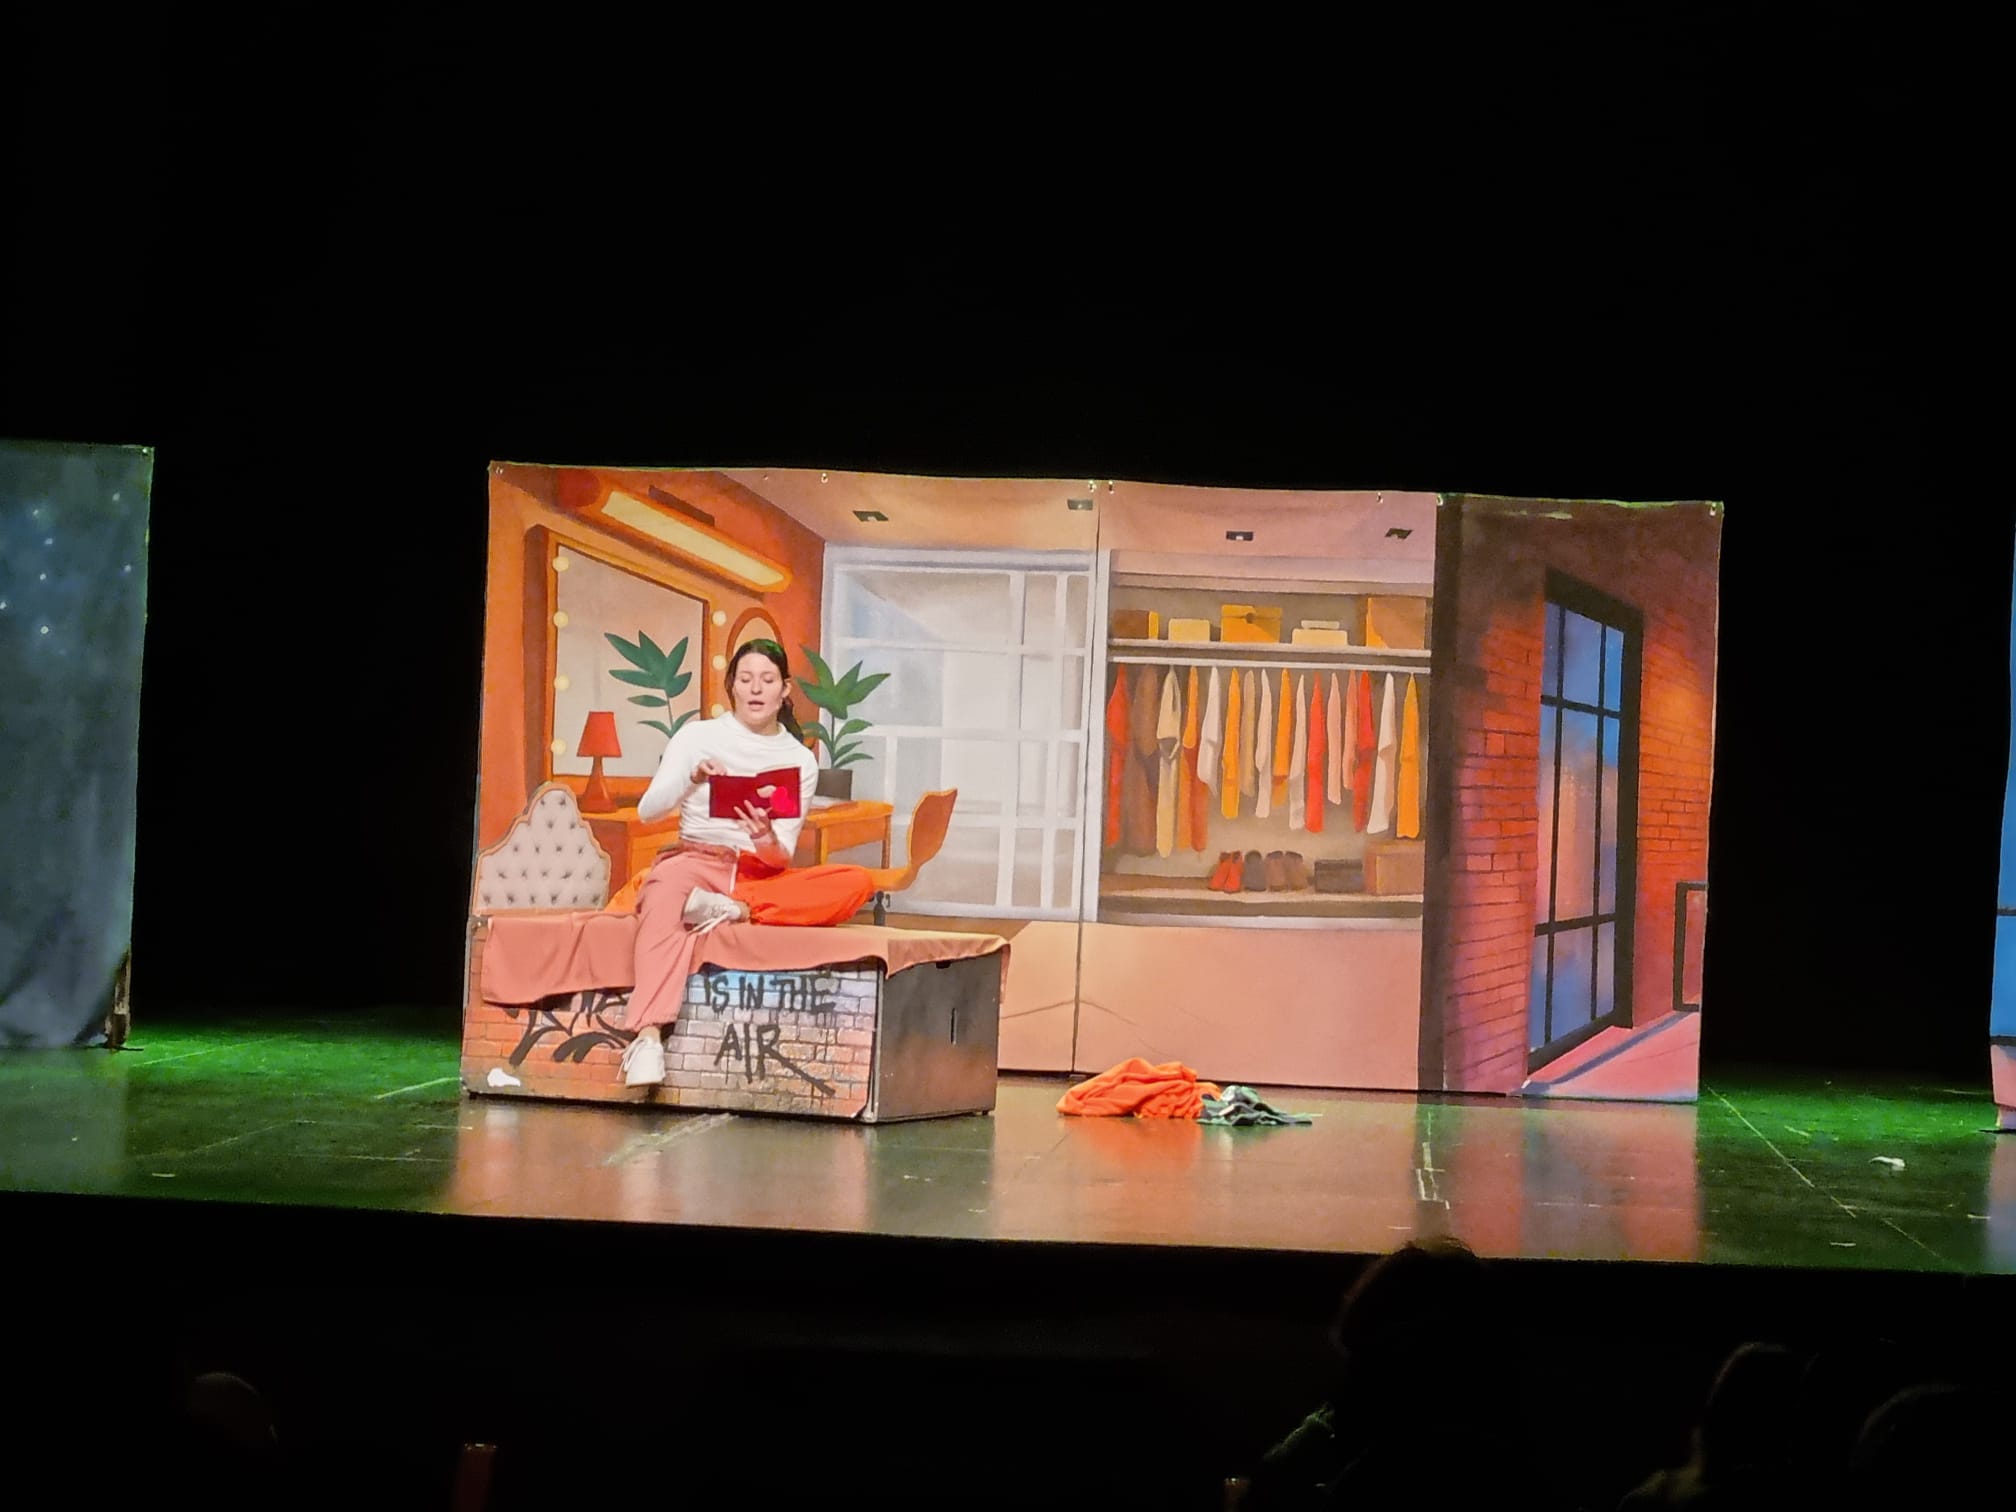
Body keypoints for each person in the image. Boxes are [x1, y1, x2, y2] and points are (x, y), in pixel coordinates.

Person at [620, 639, 875, 1087]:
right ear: (732, 687)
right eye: (746, 679)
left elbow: (781, 856)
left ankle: (736, 910)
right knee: (662, 894)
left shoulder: (798, 759)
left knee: (854, 881)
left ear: (785, 689)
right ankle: (648, 1037)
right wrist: (692, 778)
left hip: (756, 875)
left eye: (767, 679)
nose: (756, 689)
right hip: (698, 859)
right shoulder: (697, 737)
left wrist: (763, 836)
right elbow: (648, 811)